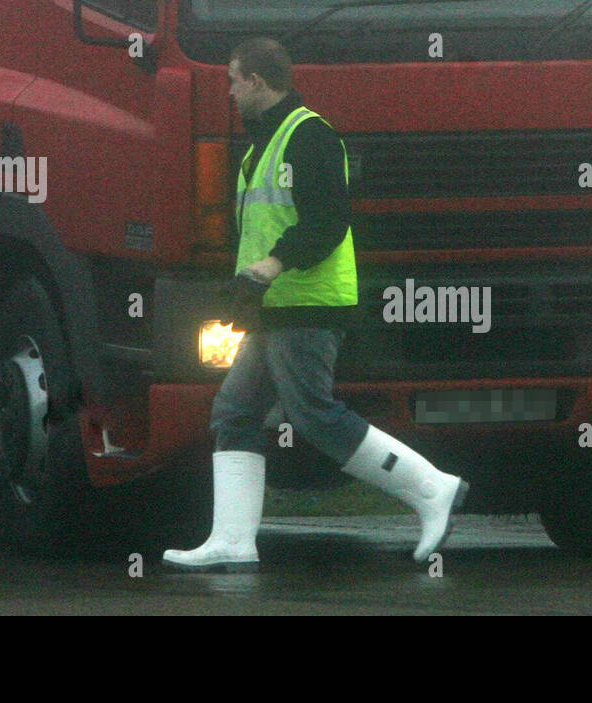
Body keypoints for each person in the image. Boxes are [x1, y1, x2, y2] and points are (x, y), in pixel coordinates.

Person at [163, 38, 468, 573]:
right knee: (236, 411)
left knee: (313, 414)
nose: (230, 92)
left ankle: (432, 488)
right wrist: (246, 285)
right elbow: (264, 227)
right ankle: (233, 540)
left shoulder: (310, 136)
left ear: (257, 81)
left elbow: (329, 221)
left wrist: (273, 266)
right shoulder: (262, 146)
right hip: (275, 306)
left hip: (310, 303)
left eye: (234, 80)